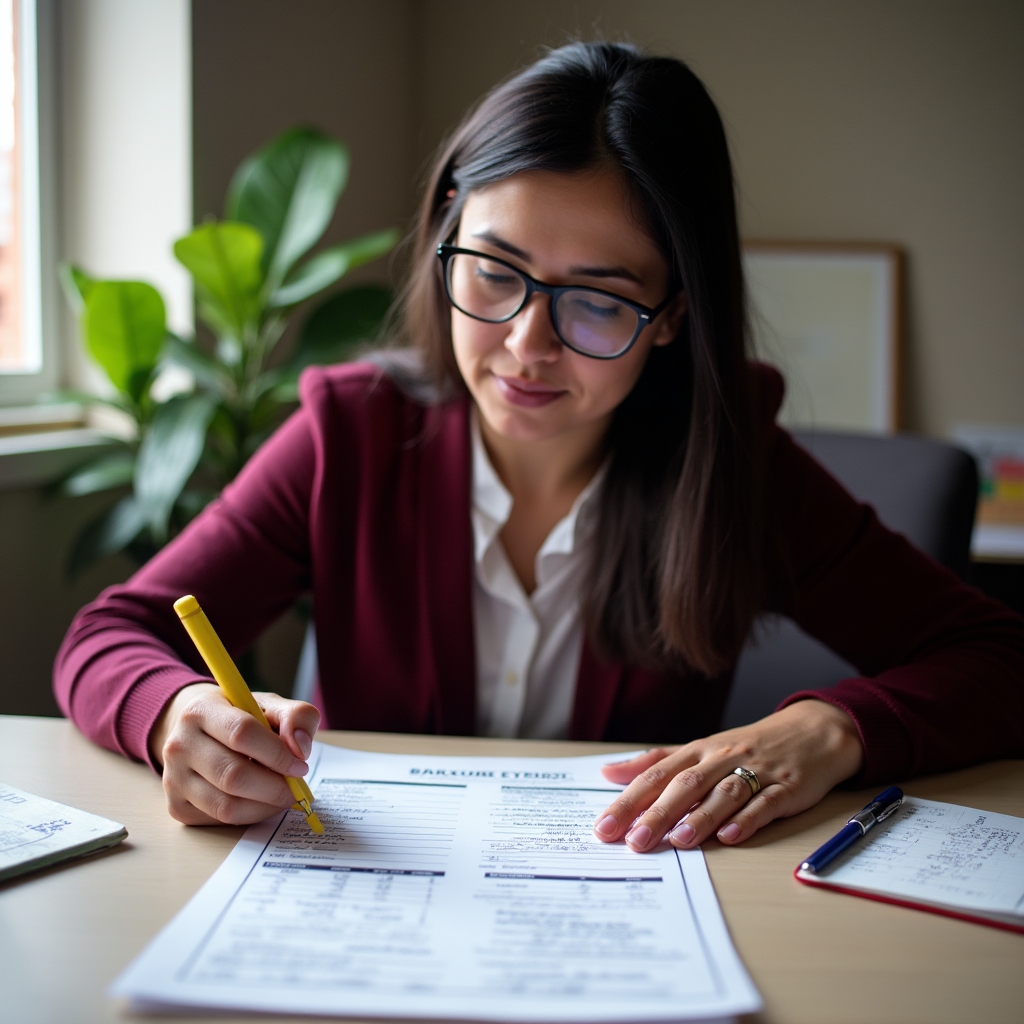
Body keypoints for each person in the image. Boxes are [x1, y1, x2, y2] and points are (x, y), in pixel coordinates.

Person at [55, 42, 1024, 855]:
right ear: (445, 242)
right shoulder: (344, 439)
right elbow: (106, 637)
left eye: (598, 300)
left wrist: (828, 727)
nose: (526, 345)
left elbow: (996, 656)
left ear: (671, 317)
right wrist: (174, 713)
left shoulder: (731, 470)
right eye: (493, 272)